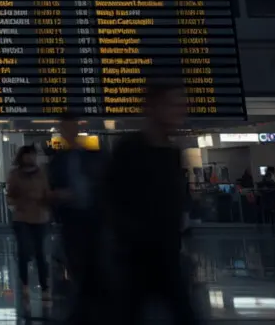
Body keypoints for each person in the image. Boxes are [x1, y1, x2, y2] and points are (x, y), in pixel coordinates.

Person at [104, 80, 198, 325]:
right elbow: (112, 201)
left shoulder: (172, 152)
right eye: (172, 104)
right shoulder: (129, 150)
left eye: (182, 104)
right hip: (135, 260)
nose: (180, 110)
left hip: (166, 256)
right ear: (153, 107)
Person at [47, 115, 103, 316]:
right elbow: (49, 190)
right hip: (72, 222)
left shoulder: (93, 155)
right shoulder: (58, 161)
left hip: (94, 222)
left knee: (94, 266)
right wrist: (57, 198)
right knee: (78, 266)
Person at [6, 145, 50, 307]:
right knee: (24, 253)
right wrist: (20, 201)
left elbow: (47, 193)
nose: (31, 158)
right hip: (22, 217)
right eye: (28, 155)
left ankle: (45, 288)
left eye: (33, 155)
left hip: (40, 217)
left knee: (40, 253)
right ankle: (25, 286)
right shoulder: (15, 175)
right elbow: (10, 195)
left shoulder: (41, 174)